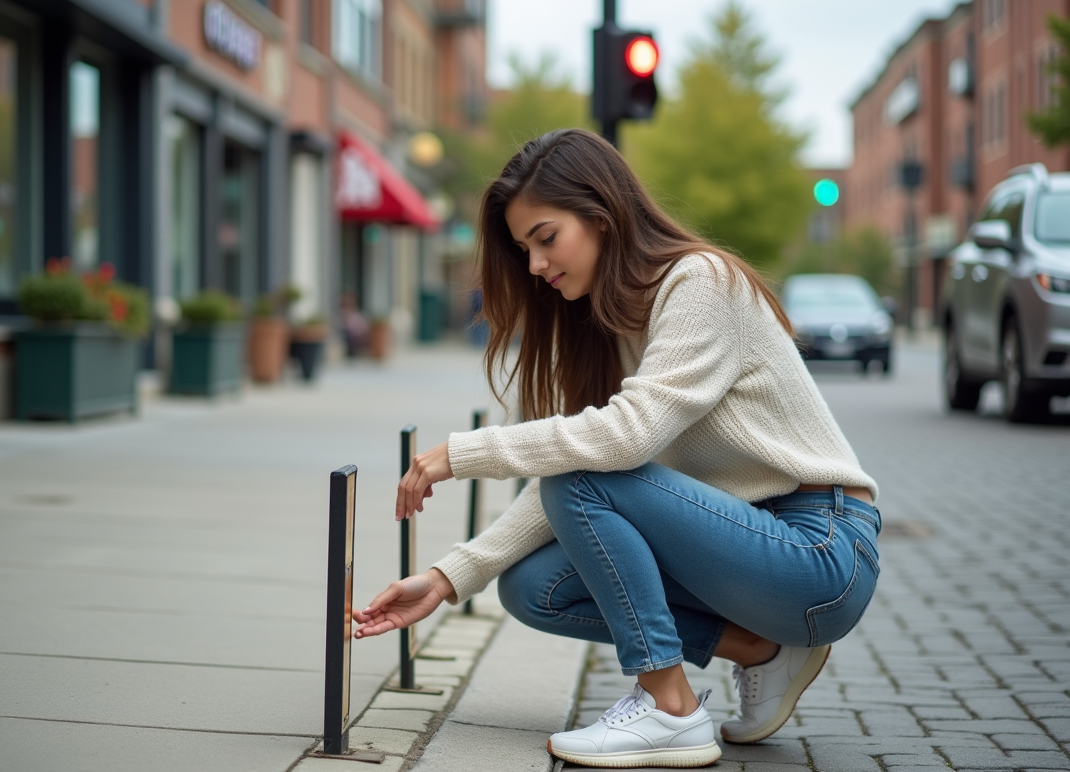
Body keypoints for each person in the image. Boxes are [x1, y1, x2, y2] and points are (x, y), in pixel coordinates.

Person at [352, 129, 880, 768]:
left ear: (602, 216)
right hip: (744, 548)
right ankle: (761, 650)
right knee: (532, 588)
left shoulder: (700, 283)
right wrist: (450, 576)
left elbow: (618, 444)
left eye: (546, 239)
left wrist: (461, 454)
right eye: (525, 250)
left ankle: (670, 707)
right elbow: (590, 464)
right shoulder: (612, 324)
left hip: (819, 549)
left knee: (580, 478)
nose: (537, 266)